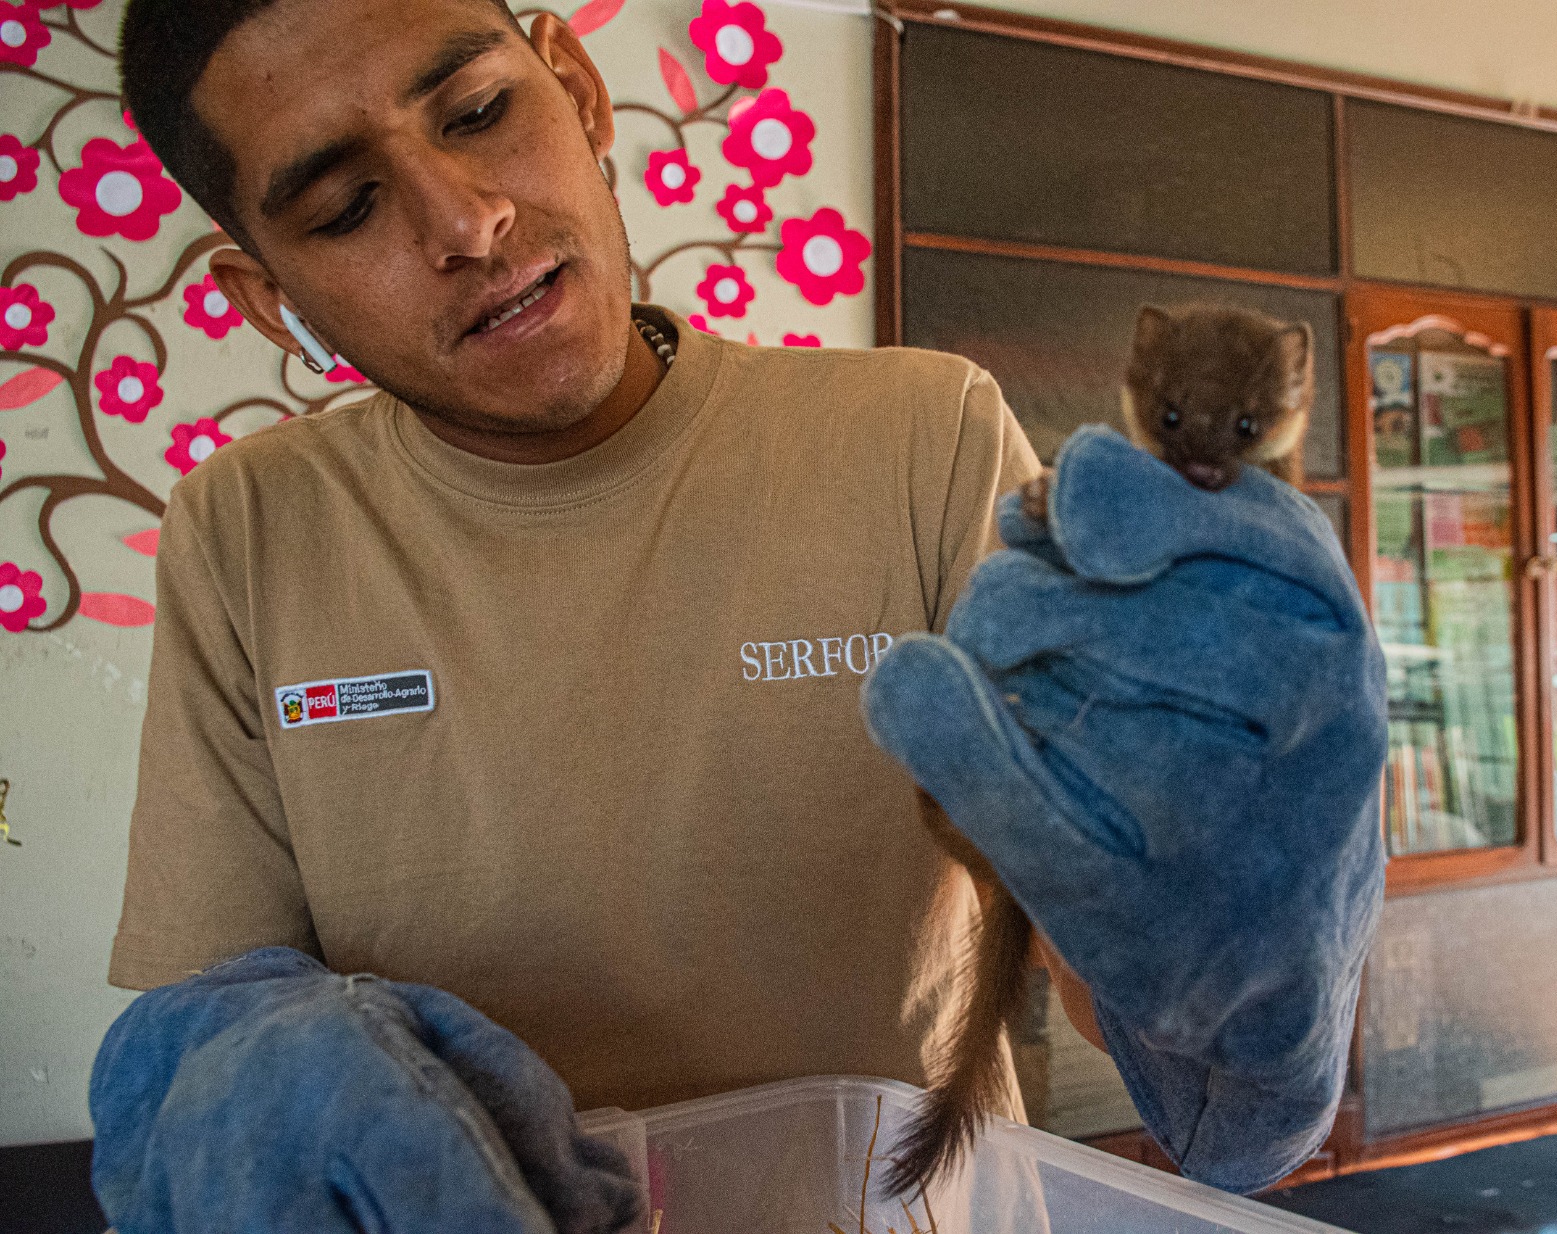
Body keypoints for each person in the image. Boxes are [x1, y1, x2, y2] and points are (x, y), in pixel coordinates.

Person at [111, 0, 1103, 1126]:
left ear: (578, 93)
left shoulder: (925, 436)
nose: (469, 222)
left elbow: (1106, 926)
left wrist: (1216, 948)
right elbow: (223, 1018)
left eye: (480, 112)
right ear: (271, 300)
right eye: (346, 209)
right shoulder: (248, 529)